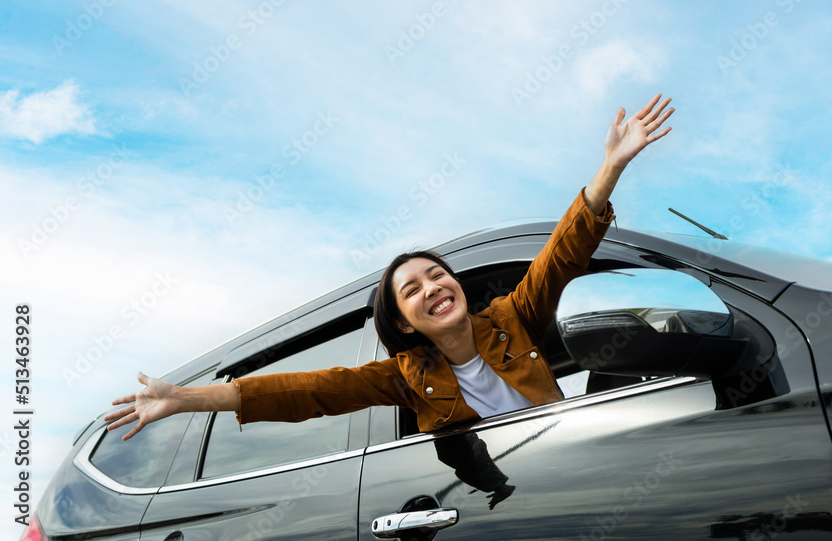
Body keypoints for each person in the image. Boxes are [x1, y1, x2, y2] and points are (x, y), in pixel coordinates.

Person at [105, 94, 674, 440]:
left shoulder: (510, 319)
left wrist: (609, 168)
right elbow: (304, 391)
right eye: (412, 289)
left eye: (437, 274)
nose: (433, 286)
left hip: (569, 459)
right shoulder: (405, 378)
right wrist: (185, 398)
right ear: (403, 322)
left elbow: (560, 256)